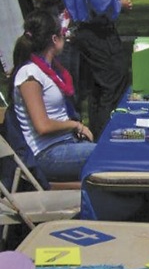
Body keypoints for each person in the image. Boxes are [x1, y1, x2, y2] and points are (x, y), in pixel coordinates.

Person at [64, 0, 133, 140]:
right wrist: (119, 3)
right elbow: (101, 0)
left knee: (97, 88)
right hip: (98, 31)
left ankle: (95, 134)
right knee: (113, 84)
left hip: (83, 30)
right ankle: (107, 138)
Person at [9, 10, 95, 182]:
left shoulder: (52, 70)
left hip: (66, 143)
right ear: (54, 39)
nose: (67, 36)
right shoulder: (29, 75)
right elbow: (42, 126)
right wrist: (76, 125)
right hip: (47, 153)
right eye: (64, 33)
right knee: (108, 154)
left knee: (114, 146)